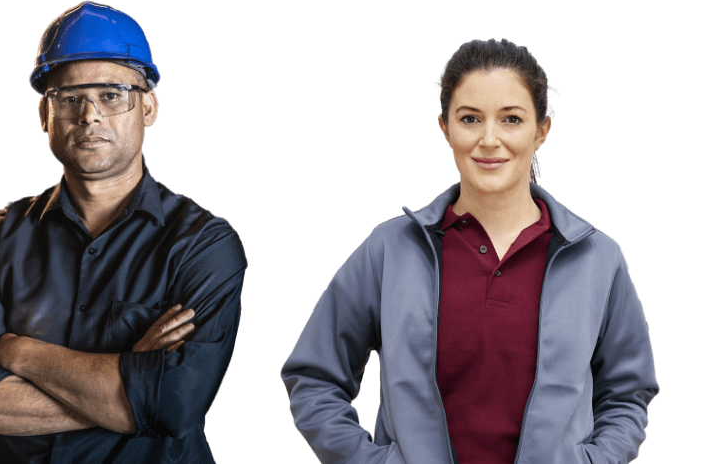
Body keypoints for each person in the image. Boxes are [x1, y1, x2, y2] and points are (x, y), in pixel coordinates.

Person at [281, 38, 658, 463]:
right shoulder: (389, 248)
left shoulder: (598, 258)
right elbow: (313, 377)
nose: (489, 140)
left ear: (541, 130)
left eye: (511, 119)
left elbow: (627, 394)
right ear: (445, 128)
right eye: (470, 119)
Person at [0, 1, 246, 463]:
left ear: (149, 106)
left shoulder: (204, 244)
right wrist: (126, 383)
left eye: (112, 94)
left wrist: (18, 353)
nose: (89, 115)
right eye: (70, 97)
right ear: (45, 115)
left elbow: (172, 403)